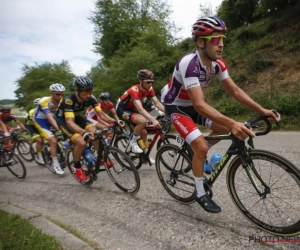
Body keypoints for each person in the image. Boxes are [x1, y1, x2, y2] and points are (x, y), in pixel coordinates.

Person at [162, 16, 280, 213]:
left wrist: (262, 110)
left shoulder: (217, 64)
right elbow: (200, 104)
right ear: (201, 42)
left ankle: (200, 154)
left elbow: (235, 92)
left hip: (193, 104)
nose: (221, 45)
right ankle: (200, 193)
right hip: (176, 106)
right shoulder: (189, 64)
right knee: (201, 145)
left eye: (223, 39)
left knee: (224, 129)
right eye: (216, 39)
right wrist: (233, 122)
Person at [55, 76, 123, 181]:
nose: (88, 95)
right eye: (84, 92)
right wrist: (83, 133)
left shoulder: (92, 98)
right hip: (64, 120)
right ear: (77, 91)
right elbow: (69, 122)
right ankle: (77, 167)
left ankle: (99, 158)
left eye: (89, 91)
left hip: (76, 117)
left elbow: (101, 114)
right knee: (81, 142)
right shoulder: (68, 100)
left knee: (96, 133)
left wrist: (115, 121)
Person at [116, 69, 165, 164]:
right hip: (122, 110)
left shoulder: (150, 89)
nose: (150, 84)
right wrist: (153, 120)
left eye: (151, 82)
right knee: (142, 121)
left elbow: (157, 103)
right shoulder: (134, 90)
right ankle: (133, 141)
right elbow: (140, 109)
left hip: (132, 110)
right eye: (148, 82)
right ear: (140, 81)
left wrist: (168, 113)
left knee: (144, 133)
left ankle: (144, 155)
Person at [34, 83, 65, 175]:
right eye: (57, 94)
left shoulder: (63, 100)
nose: (60, 96)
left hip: (52, 118)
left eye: (62, 94)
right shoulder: (45, 101)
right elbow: (50, 118)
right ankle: (55, 163)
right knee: (53, 141)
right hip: (40, 121)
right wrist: (59, 129)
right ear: (51, 93)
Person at [24, 98, 45, 164]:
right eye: (37, 105)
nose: (38, 107)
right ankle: (40, 156)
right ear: (34, 106)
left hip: (40, 125)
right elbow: (34, 122)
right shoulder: (32, 111)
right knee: (39, 140)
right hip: (31, 125)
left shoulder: (46, 110)